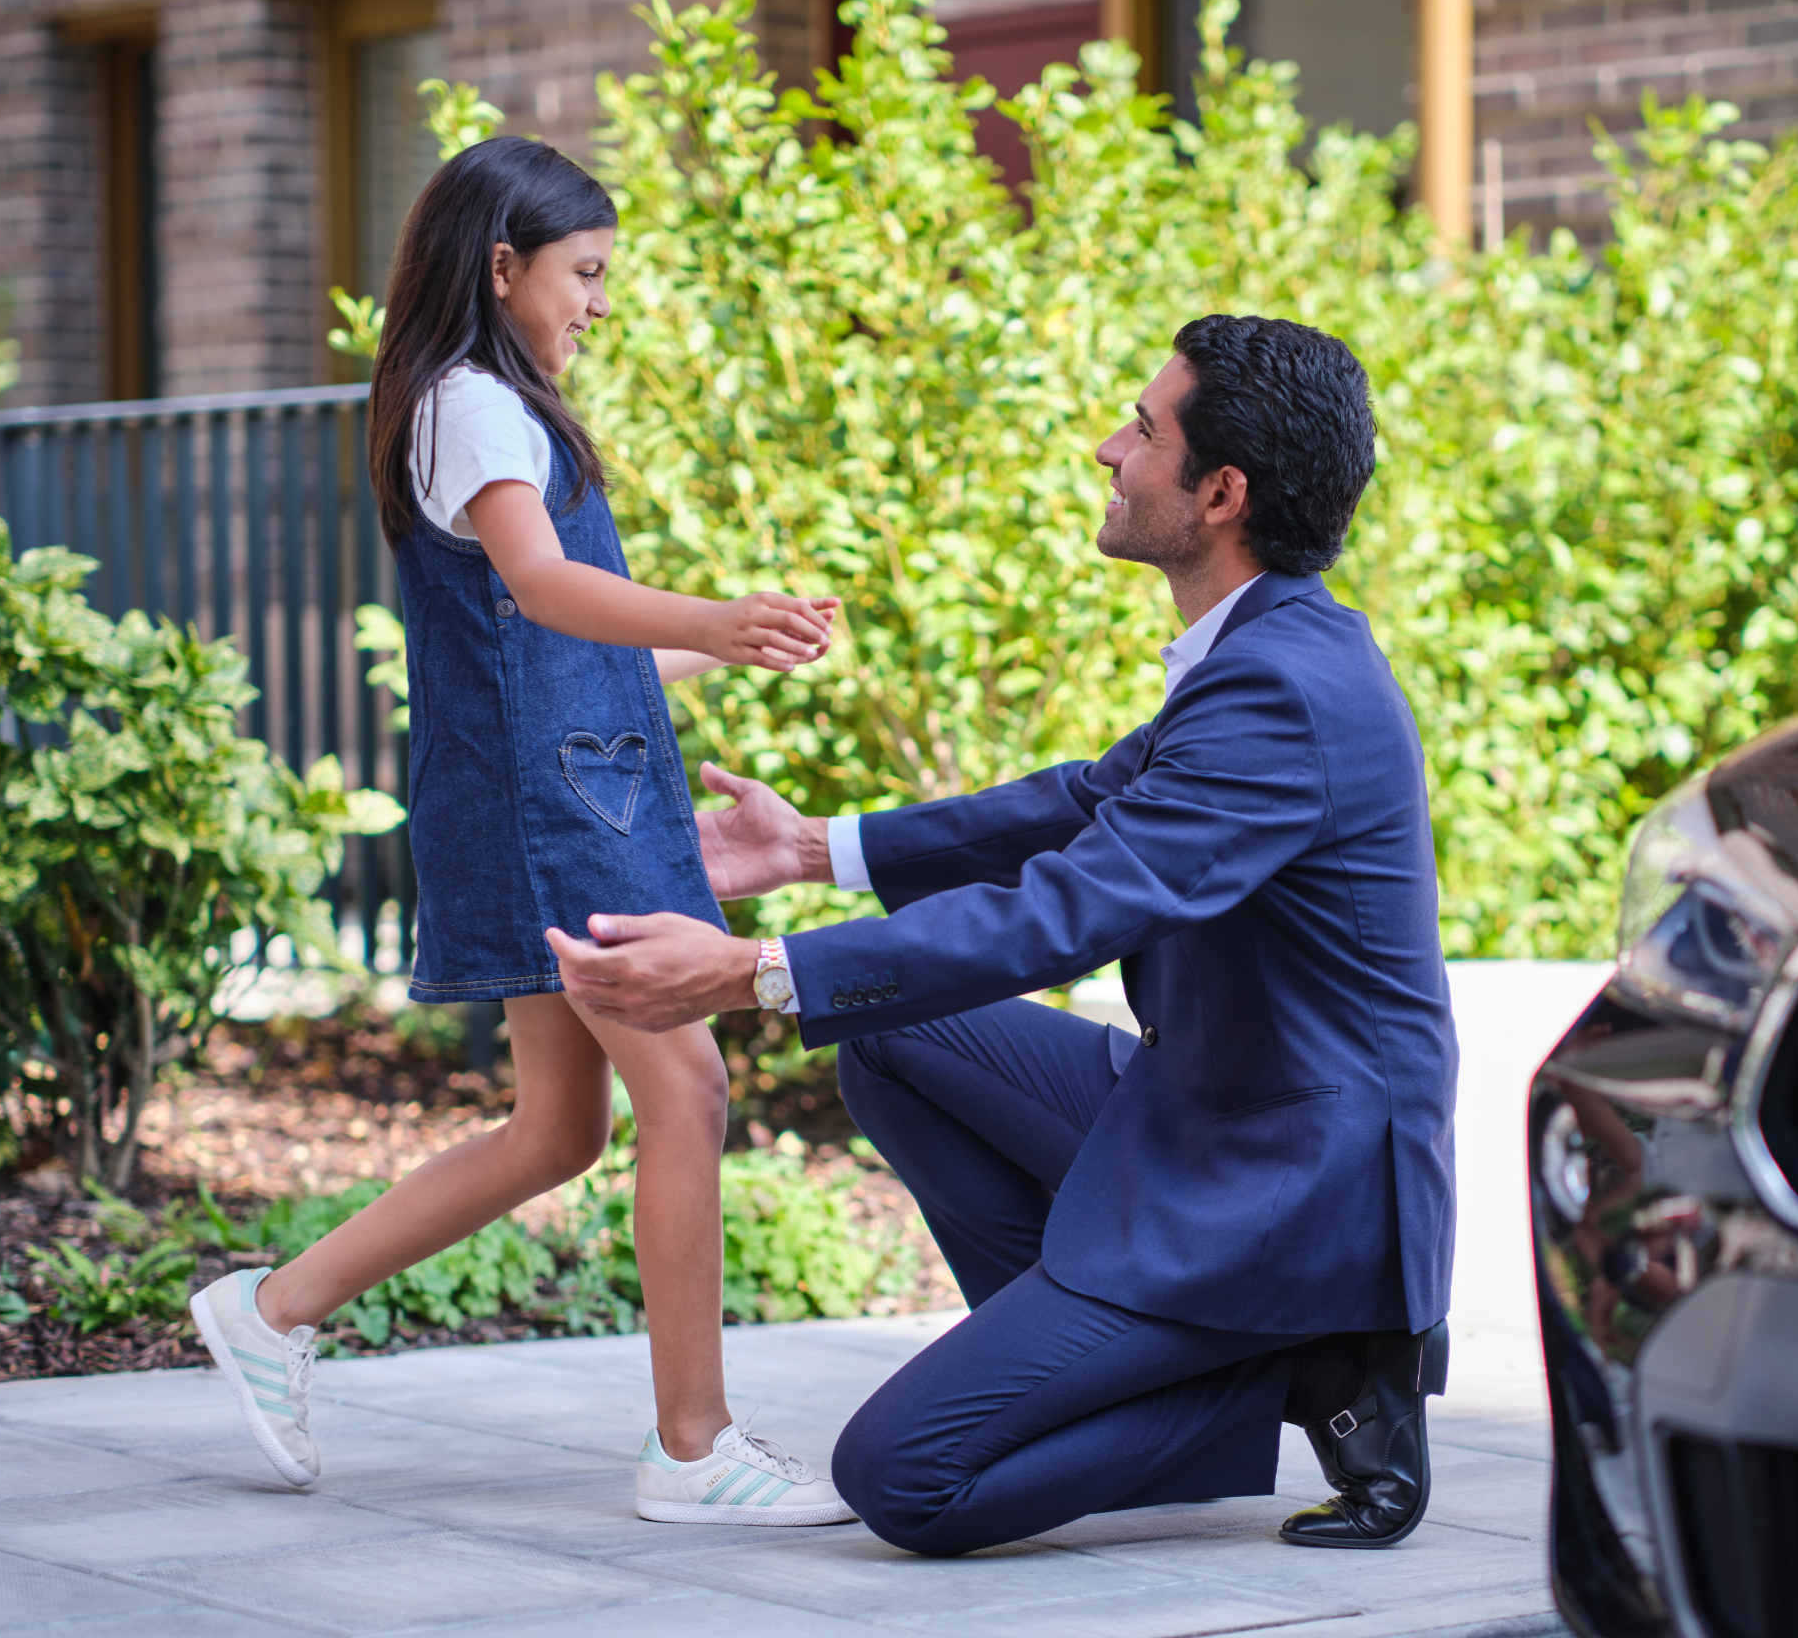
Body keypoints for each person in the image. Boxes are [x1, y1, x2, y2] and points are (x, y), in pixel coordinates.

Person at [547, 314, 1459, 1556]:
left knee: (904, 1478)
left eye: (1142, 430)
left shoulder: (1285, 690)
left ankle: (1288, 1366)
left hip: (1289, 1181)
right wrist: (813, 848)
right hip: (1211, 1109)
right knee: (892, 1040)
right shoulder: (1269, 644)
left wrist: (754, 972)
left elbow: (1067, 909)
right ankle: (1128, 1358)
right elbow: (1080, 803)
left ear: (1222, 494)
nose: (1109, 450)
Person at [188, 136, 856, 1527]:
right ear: (503, 267)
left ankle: (274, 1307)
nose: (601, 303)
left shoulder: (478, 406)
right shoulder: (475, 404)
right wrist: (715, 613)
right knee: (689, 1089)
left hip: (560, 793)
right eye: (586, 272)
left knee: (557, 1129)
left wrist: (744, 642)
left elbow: (558, 653)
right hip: (559, 813)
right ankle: (694, 1449)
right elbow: (548, 588)